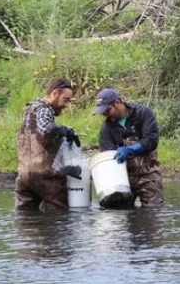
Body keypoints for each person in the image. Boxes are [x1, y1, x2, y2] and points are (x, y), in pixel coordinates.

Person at [15, 77, 81, 210]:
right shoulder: (45, 109)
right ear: (55, 93)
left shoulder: (30, 110)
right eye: (66, 100)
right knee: (58, 218)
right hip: (46, 177)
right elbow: (46, 129)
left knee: (25, 221)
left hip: (23, 177)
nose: (66, 105)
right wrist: (65, 130)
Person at [93, 88, 163, 207]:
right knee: (120, 215)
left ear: (118, 102)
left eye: (107, 110)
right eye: (103, 112)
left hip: (148, 173)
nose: (106, 114)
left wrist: (129, 149)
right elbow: (108, 157)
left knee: (153, 212)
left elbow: (151, 141)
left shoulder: (142, 113)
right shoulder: (106, 128)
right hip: (123, 178)